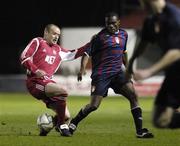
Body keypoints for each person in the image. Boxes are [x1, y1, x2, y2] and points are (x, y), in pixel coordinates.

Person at [68, 12, 154, 138]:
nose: (111, 26)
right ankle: (74, 122)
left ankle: (140, 131)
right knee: (94, 105)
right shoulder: (99, 37)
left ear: (119, 22)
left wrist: (128, 67)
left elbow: (123, 52)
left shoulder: (124, 34)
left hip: (119, 73)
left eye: (113, 23)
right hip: (102, 75)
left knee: (133, 95)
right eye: (108, 23)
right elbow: (87, 53)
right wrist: (82, 69)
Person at [20, 24, 89, 137]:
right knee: (63, 91)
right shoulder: (38, 42)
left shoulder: (58, 50)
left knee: (66, 115)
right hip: (35, 82)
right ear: (46, 33)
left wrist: (90, 45)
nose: (56, 37)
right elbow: (24, 57)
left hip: (47, 84)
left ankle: (46, 127)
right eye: (54, 34)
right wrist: (35, 70)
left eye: (58, 35)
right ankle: (62, 126)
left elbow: (74, 53)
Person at [127, 0, 180, 128]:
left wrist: (149, 71)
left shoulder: (174, 17)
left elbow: (176, 52)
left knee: (165, 119)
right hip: (173, 74)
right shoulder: (151, 21)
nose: (140, 4)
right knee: (160, 121)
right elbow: (143, 42)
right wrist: (131, 63)